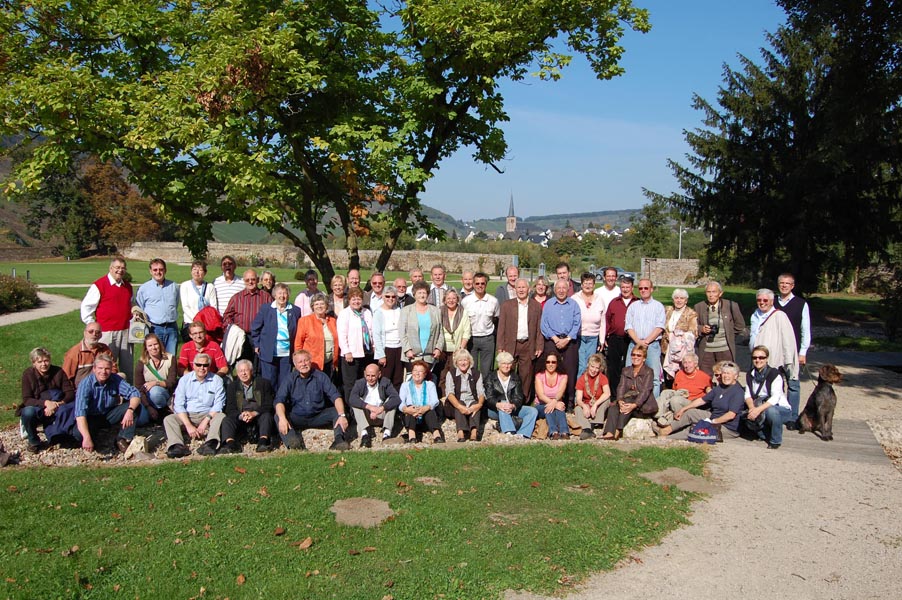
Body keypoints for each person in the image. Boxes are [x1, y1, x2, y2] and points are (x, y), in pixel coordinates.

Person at [274, 350, 351, 451]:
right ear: (295, 365)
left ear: (310, 361)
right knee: (278, 415)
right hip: (298, 417)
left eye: (306, 360)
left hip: (318, 416)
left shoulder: (321, 376)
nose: (303, 364)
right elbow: (279, 400)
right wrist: (282, 418)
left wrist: (342, 415)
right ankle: (293, 443)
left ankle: (339, 440)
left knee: (337, 411)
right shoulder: (290, 379)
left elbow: (335, 396)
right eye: (300, 362)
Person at [659, 361, 745, 440]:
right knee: (690, 413)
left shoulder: (738, 392)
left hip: (727, 427)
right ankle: (666, 430)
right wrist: (683, 409)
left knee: (696, 428)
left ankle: (667, 438)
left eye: (728, 373)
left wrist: (712, 422)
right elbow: (702, 400)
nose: (725, 376)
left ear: (735, 376)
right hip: (713, 416)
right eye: (724, 373)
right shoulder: (720, 388)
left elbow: (731, 415)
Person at [73, 354, 142, 453]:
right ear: (94, 369)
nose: (103, 372)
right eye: (100, 368)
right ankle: (91, 440)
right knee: (79, 434)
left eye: (107, 369)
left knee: (135, 406)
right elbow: (80, 414)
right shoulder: (86, 384)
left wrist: (130, 411)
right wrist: (86, 437)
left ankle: (122, 439)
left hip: (109, 414)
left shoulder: (115, 379)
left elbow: (135, 393)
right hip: (91, 417)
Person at [80, 257, 134, 381]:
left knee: (127, 367)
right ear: (110, 268)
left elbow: (130, 304)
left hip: (126, 331)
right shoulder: (99, 285)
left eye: (123, 268)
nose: (120, 270)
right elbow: (86, 307)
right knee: (106, 366)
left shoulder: (127, 287)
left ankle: (128, 390)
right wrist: (93, 327)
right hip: (107, 332)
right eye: (117, 267)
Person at [163, 353, 226, 458]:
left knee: (221, 416)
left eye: (205, 365)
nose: (202, 368)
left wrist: (205, 422)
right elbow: (178, 404)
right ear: (193, 365)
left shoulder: (217, 380)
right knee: (169, 419)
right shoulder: (184, 380)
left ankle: (210, 443)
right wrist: (188, 425)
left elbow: (219, 404)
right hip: (188, 414)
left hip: (207, 414)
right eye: (198, 365)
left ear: (209, 366)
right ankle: (177, 446)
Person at [18, 347, 75, 453]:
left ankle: (63, 435)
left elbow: (70, 393)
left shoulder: (58, 371)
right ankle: (33, 441)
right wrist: (46, 403)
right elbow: (27, 399)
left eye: (46, 360)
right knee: (27, 412)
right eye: (39, 362)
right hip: (37, 406)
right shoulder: (28, 374)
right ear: (34, 363)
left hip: (57, 404)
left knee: (70, 407)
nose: (44, 364)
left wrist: (57, 404)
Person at [774, 273, 811, 429]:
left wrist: (803, 352)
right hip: (774, 350)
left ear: (792, 286)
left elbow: (805, 330)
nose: (784, 286)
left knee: (793, 384)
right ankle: (778, 414)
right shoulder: (771, 301)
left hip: (792, 350)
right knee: (775, 384)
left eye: (787, 283)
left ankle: (792, 417)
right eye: (781, 283)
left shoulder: (801, 304)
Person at [496, 278, 543, 400]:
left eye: (523, 287)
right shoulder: (506, 305)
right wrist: (500, 346)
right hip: (510, 344)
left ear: (529, 289)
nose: (521, 290)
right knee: (507, 371)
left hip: (528, 345)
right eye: (519, 287)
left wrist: (539, 345)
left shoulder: (536, 306)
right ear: (515, 289)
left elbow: (539, 328)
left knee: (526, 375)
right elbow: (501, 327)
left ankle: (523, 400)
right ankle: (507, 398)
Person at [251, 282, 302, 392]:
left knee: (285, 381)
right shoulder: (266, 309)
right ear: (274, 295)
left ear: (288, 295)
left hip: (286, 353)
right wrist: (257, 344)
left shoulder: (295, 310)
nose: (282, 296)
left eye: (285, 293)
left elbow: (299, 331)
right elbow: (255, 328)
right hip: (268, 351)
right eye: (279, 293)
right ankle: (270, 401)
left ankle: (282, 401)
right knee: (269, 381)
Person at [219, 359, 276, 454]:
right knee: (227, 420)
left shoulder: (263, 383)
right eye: (241, 371)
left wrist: (254, 413)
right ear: (237, 373)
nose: (244, 373)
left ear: (251, 371)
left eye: (246, 370)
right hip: (241, 416)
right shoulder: (232, 386)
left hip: (258, 415)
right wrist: (241, 415)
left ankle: (263, 442)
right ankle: (230, 444)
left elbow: (268, 404)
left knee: (267, 416)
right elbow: (230, 408)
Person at [749, 288, 799, 394]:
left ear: (772, 301)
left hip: (773, 360)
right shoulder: (754, 315)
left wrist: (788, 360)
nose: (762, 302)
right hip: (757, 358)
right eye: (759, 300)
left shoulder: (779, 316)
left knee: (775, 388)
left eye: (765, 300)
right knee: (758, 387)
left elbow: (788, 339)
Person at [601, 345, 656, 441]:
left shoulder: (648, 372)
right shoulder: (626, 370)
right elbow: (621, 387)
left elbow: (645, 391)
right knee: (614, 407)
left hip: (642, 404)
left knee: (628, 404)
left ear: (644, 358)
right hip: (627, 399)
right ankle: (609, 432)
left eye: (639, 355)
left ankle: (618, 430)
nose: (635, 357)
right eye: (633, 355)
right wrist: (619, 400)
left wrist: (634, 405)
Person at [540, 279, 581, 405]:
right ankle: (550, 399)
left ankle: (569, 400)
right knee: (551, 369)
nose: (561, 291)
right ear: (554, 290)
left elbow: (577, 324)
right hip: (552, 340)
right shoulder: (548, 304)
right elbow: (544, 324)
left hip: (570, 341)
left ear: (568, 289)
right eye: (559, 288)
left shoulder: (574, 304)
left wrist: (567, 339)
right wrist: (555, 338)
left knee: (570, 370)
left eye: (564, 288)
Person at [624, 278, 665, 398]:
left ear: (651, 289)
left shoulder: (658, 306)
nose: (643, 290)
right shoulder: (633, 306)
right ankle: (630, 403)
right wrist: (638, 342)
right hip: (634, 344)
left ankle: (653, 405)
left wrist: (646, 341)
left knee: (654, 377)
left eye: (646, 288)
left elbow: (659, 327)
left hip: (652, 345)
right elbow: (628, 326)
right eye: (640, 288)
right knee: (629, 375)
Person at [743, 345, 791, 449]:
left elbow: (775, 398)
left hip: (779, 408)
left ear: (767, 359)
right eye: (755, 358)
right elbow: (748, 394)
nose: (758, 360)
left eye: (761, 357)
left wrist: (757, 410)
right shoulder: (750, 374)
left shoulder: (775, 374)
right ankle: (763, 434)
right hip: (758, 404)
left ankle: (775, 441)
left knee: (771, 411)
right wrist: (751, 408)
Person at [222, 269, 273, 364]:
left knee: (258, 366)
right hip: (242, 337)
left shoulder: (266, 297)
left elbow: (273, 317)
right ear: (244, 281)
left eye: (253, 279)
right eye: (247, 280)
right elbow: (227, 316)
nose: (250, 282)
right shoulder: (236, 298)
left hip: (260, 337)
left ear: (257, 280)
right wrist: (233, 330)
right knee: (243, 366)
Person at [695, 281, 746, 375]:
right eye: (708, 292)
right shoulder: (699, 306)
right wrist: (702, 329)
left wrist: (729, 334)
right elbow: (693, 326)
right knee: (705, 377)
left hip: (725, 349)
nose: (711, 295)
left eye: (714, 292)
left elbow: (740, 325)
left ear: (720, 293)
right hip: (706, 351)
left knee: (726, 376)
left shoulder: (731, 305)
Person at [484, 351, 538, 439]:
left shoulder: (515, 377)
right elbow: (489, 397)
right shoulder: (490, 378)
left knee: (532, 411)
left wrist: (513, 405)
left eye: (509, 363)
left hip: (511, 407)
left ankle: (522, 434)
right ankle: (509, 432)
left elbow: (518, 397)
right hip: (494, 409)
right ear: (499, 364)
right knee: (503, 404)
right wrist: (498, 404)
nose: (506, 366)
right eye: (504, 363)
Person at [348, 363, 401, 447]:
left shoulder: (385, 382)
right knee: (356, 402)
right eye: (368, 375)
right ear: (364, 374)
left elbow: (396, 398)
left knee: (391, 402)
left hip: (381, 414)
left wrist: (382, 408)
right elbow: (352, 398)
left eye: (373, 376)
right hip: (366, 415)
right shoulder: (359, 383)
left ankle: (387, 434)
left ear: (379, 374)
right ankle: (364, 435)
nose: (370, 378)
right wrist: (370, 407)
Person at [135, 258, 180, 355]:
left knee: (171, 358)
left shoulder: (174, 286)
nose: (158, 272)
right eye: (155, 270)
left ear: (165, 270)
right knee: (154, 357)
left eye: (161, 269)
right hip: (154, 328)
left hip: (171, 328)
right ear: (150, 271)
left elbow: (175, 304)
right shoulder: (144, 288)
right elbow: (140, 307)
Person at [461, 272, 500, 383]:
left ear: (486, 284)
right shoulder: (466, 301)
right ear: (473, 284)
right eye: (477, 283)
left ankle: (486, 391)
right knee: (470, 369)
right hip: (471, 339)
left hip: (488, 338)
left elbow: (496, 318)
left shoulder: (493, 301)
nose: (480, 286)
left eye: (482, 283)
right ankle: (472, 391)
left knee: (486, 370)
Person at [336, 287, 374, 401]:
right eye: (353, 299)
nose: (356, 301)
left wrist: (374, 347)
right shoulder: (344, 314)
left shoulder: (366, 312)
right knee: (350, 384)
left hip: (366, 353)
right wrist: (346, 351)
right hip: (351, 355)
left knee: (364, 382)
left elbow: (371, 331)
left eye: (358, 299)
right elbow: (342, 335)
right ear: (349, 300)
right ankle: (350, 407)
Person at [655, 352, 712, 428]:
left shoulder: (703, 377)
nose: (687, 365)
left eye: (689, 362)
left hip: (694, 403)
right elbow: (674, 389)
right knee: (668, 395)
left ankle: (680, 424)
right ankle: (663, 418)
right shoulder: (679, 374)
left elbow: (709, 392)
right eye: (685, 363)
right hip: (681, 401)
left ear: (695, 364)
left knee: (675, 400)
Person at [400, 280, 445, 372]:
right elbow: (402, 332)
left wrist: (438, 348)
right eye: (419, 293)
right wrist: (407, 350)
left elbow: (441, 332)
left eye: (424, 293)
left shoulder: (436, 311)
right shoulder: (406, 311)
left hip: (430, 355)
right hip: (412, 355)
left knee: (429, 379)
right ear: (414, 294)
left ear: (427, 294)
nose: (422, 295)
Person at [604, 275, 637, 396]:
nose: (625, 289)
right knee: (613, 367)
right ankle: (614, 396)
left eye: (628, 287)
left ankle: (627, 394)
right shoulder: (614, 302)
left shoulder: (637, 302)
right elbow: (607, 320)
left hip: (631, 339)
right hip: (615, 338)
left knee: (628, 367)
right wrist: (606, 336)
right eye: (623, 287)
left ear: (632, 288)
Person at [294, 293, 340, 379]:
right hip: (312, 363)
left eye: (322, 304)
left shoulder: (332, 321)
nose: (319, 306)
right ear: (312, 307)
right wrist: (299, 361)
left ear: (326, 306)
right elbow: (298, 343)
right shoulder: (304, 321)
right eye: (316, 304)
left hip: (330, 362)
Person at [399, 360, 445, 444]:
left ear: (425, 374)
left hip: (425, 416)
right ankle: (412, 437)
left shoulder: (430, 384)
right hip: (411, 416)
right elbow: (400, 402)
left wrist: (425, 408)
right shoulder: (405, 385)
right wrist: (407, 409)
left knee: (430, 410)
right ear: (412, 372)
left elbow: (435, 400)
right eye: (415, 371)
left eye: (420, 371)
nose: (417, 373)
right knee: (410, 408)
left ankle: (437, 436)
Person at [134, 333, 177, 424]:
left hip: (165, 393)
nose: (153, 348)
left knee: (155, 392)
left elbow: (172, 382)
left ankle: (163, 411)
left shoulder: (170, 358)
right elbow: (139, 388)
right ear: (146, 348)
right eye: (150, 345)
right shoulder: (142, 362)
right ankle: (153, 412)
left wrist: (155, 383)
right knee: (141, 421)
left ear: (160, 345)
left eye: (155, 344)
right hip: (146, 396)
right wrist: (147, 406)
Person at [444, 349, 485, 442]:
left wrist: (479, 404)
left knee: (475, 404)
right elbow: (450, 394)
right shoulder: (451, 373)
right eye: (460, 360)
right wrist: (460, 407)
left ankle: (474, 432)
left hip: (472, 400)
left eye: (465, 360)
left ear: (469, 361)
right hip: (456, 402)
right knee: (459, 403)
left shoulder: (477, 374)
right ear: (456, 362)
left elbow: (481, 392)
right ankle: (460, 432)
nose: (463, 363)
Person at [436, 288, 471, 392]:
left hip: (457, 349)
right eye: (448, 298)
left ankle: (455, 396)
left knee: (454, 374)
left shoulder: (463, 312)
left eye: (454, 298)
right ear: (444, 300)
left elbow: (466, 332)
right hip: (442, 349)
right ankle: (443, 397)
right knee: (442, 375)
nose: (451, 301)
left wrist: (460, 349)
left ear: (457, 299)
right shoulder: (439, 311)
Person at [572, 272, 606, 378]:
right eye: (585, 283)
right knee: (582, 365)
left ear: (594, 285)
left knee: (591, 365)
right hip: (579, 336)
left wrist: (602, 339)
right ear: (581, 285)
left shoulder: (599, 299)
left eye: (590, 283)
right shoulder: (575, 298)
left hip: (593, 337)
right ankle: (579, 387)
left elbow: (603, 321)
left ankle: (590, 386)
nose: (588, 286)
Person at [661, 288, 698, 384]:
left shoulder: (691, 314)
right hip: (665, 349)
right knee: (666, 378)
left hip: (681, 352)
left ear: (686, 300)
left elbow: (693, 333)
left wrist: (674, 337)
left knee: (680, 378)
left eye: (682, 298)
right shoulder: (667, 310)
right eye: (676, 298)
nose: (679, 300)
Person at [62, 323, 117, 387]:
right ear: (85, 333)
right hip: (82, 388)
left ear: (101, 335)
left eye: (97, 332)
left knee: (121, 376)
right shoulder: (74, 353)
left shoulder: (105, 349)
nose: (94, 334)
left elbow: (113, 369)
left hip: (103, 386)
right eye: (91, 331)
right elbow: (66, 377)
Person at [572, 353, 611, 440]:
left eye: (597, 368)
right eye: (592, 367)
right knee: (577, 408)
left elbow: (607, 393)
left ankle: (595, 422)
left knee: (607, 400)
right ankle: (587, 429)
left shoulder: (602, 377)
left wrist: (595, 405)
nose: (594, 370)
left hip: (598, 404)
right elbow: (578, 399)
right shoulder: (581, 379)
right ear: (588, 365)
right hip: (587, 404)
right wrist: (584, 406)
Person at [373, 285, 404, 390]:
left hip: (399, 348)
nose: (390, 299)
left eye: (393, 296)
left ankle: (396, 398)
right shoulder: (378, 312)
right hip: (386, 349)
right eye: (387, 296)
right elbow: (376, 335)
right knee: (385, 378)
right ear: (383, 297)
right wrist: (381, 355)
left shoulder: (399, 310)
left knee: (398, 378)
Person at [535, 351, 569, 439]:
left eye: (553, 362)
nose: (550, 364)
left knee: (558, 408)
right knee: (549, 408)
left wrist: (554, 402)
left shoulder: (563, 376)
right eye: (548, 362)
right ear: (545, 363)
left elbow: (560, 392)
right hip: (541, 405)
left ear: (557, 363)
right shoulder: (539, 376)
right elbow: (541, 395)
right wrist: (554, 403)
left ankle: (564, 432)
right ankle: (553, 432)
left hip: (557, 402)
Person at [180, 260, 218, 334]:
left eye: (200, 270)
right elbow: (185, 307)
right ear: (191, 271)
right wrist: (198, 321)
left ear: (205, 272)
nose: (197, 272)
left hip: (206, 324)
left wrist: (206, 321)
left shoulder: (210, 287)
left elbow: (213, 307)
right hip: (190, 322)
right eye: (194, 269)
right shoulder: (185, 286)